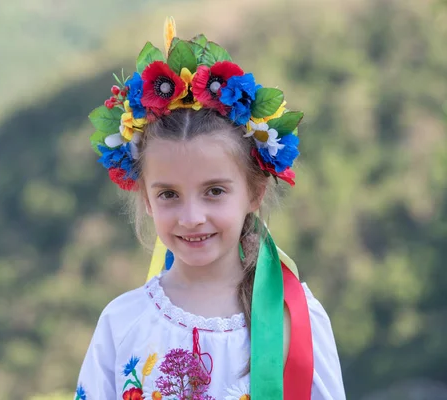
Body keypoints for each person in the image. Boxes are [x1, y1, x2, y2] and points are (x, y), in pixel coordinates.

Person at [75, 17, 345, 400]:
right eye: (168, 194)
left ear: (254, 191)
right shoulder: (122, 323)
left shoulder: (295, 319)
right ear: (147, 200)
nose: (191, 217)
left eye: (214, 191)